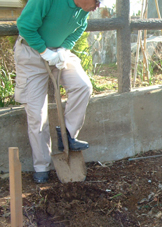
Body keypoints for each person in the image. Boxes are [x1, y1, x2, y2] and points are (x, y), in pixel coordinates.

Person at [14, 0, 100, 183]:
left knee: (82, 86)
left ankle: (67, 136)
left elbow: (78, 29)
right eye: (97, 1)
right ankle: (41, 167)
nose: (98, 6)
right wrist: (45, 52)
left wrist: (63, 49)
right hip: (31, 52)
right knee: (37, 114)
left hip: (59, 54)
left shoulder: (84, 9)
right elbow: (24, 26)